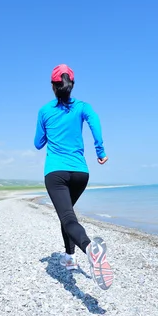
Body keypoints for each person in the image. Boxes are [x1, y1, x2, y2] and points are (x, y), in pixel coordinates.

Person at [34, 64, 113, 291]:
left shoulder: (45, 111)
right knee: (67, 216)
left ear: (53, 86)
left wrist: (51, 131)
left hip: (56, 174)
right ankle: (70, 258)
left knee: (67, 218)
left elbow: (38, 144)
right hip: (81, 173)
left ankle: (90, 248)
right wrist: (100, 151)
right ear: (72, 85)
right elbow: (95, 121)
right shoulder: (83, 107)